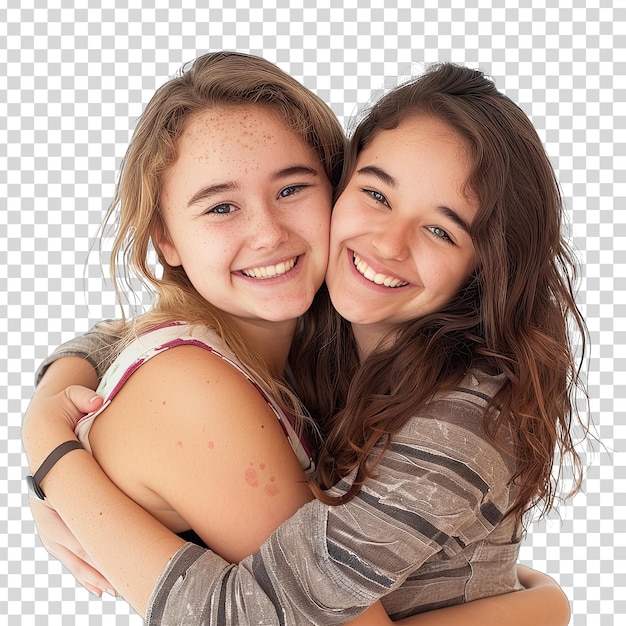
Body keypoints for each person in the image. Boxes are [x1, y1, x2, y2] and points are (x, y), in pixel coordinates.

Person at [22, 58, 579, 624]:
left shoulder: (343, 345)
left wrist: (53, 460)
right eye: (220, 207)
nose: (268, 233)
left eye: (291, 188)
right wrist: (51, 451)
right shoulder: (199, 382)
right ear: (163, 237)